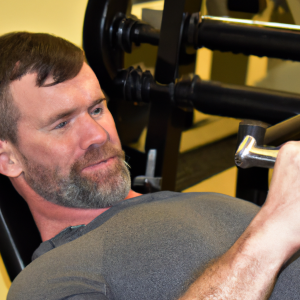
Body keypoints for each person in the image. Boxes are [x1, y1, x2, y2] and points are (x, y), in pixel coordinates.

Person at [0, 32, 300, 300]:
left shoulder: (197, 202)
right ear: (7, 158)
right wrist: (270, 236)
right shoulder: (50, 280)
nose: (98, 134)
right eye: (62, 123)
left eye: (96, 109)